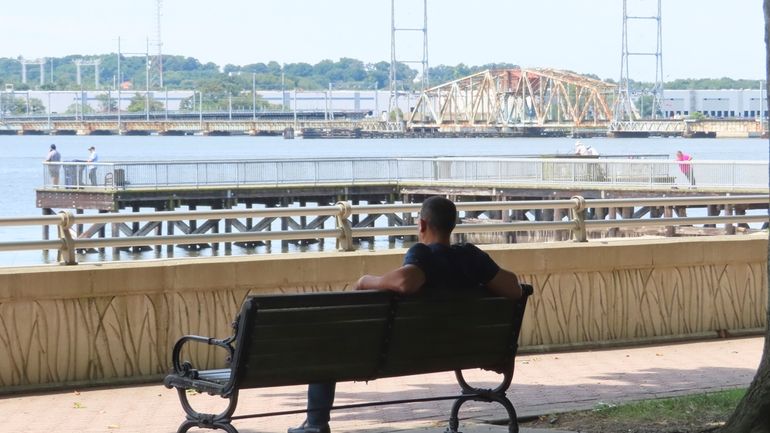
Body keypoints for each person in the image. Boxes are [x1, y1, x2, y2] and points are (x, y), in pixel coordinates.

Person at [289, 196, 523, 433]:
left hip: (403, 351)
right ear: (453, 225)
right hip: (463, 348)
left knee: (325, 350)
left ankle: (316, 425)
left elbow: (405, 282)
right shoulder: (471, 257)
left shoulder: (424, 254)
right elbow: (514, 288)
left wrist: (366, 281)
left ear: (422, 225)